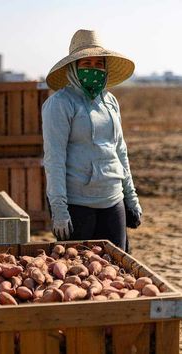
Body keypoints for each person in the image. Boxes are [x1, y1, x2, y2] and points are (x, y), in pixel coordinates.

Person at [42, 29, 142, 251]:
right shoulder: (60, 103)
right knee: (80, 271)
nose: (93, 69)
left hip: (111, 197)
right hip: (77, 204)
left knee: (116, 271)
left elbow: (120, 151)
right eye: (86, 63)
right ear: (73, 68)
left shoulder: (110, 101)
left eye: (99, 64)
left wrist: (130, 198)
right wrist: (59, 209)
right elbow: (54, 159)